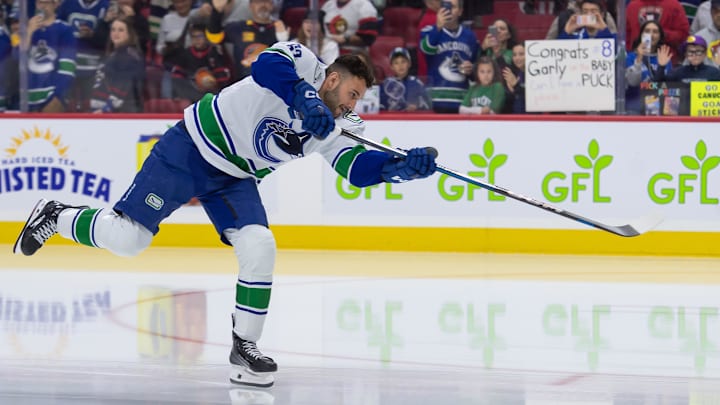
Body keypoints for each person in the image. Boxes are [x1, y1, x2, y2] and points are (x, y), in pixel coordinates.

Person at [12, 41, 437, 388]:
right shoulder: (303, 62)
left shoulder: (334, 127)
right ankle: (56, 214)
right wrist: (303, 97)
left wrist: (399, 170)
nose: (350, 106)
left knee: (260, 245)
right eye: (350, 95)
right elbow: (266, 65)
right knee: (128, 240)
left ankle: (243, 348)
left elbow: (355, 171)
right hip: (191, 148)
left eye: (356, 101)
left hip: (235, 178)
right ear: (331, 78)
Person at [207, 0, 289, 81]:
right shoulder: (239, 27)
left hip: (273, 86)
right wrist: (217, 11)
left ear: (272, 5)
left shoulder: (281, 28)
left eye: (266, 1)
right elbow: (215, 38)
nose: (263, 5)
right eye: (258, 2)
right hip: (243, 85)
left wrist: (284, 40)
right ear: (250, 6)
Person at [419, 0, 478, 113]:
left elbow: (475, 66)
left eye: (453, 7)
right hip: (435, 100)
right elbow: (426, 50)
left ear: (460, 11)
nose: (449, 10)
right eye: (446, 6)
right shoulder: (428, 31)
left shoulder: (470, 36)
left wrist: (471, 69)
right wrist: (438, 28)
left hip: (462, 101)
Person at [22, 0, 78, 112]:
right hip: (28, 99)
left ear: (55, 4)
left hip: (51, 97)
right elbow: (16, 60)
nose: (42, 6)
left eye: (46, 2)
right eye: (39, 2)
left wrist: (58, 97)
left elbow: (68, 68)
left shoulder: (65, 30)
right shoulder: (27, 29)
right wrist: (28, 33)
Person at [56, 0, 110, 111]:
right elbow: (57, 32)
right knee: (66, 108)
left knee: (90, 109)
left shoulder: (107, 6)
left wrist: (93, 35)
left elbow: (110, 41)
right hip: (68, 67)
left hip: (94, 69)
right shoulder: (67, 4)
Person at [89, 17, 146, 113]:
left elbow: (123, 87)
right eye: (113, 29)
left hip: (120, 113)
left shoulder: (129, 56)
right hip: (102, 110)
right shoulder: (112, 54)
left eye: (121, 30)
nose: (116, 33)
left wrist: (106, 109)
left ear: (129, 34)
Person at [170, 23, 231, 101]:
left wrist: (213, 83)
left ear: (206, 37)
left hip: (212, 93)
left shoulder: (214, 52)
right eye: (194, 37)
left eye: (200, 36)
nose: (197, 39)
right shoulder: (185, 54)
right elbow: (177, 76)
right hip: (192, 92)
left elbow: (223, 76)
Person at [625, 21, 672, 114]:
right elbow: (632, 82)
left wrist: (661, 67)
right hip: (635, 107)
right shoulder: (631, 57)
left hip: (658, 107)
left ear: (660, 36)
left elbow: (666, 86)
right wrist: (639, 58)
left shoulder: (664, 56)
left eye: (655, 32)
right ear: (641, 35)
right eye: (647, 31)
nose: (651, 34)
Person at [379, 46, 431, 111]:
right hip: (391, 120)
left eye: (403, 61)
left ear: (409, 64)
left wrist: (417, 107)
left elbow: (428, 104)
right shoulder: (386, 84)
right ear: (391, 66)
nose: (400, 65)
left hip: (412, 119)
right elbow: (380, 106)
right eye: (396, 63)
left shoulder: (417, 83)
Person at [655, 34, 720, 82]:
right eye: (690, 52)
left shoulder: (714, 73)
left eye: (698, 51)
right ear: (685, 54)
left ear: (705, 54)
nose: (694, 55)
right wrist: (661, 67)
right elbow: (658, 87)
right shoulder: (677, 72)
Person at [501, 43, 526, 114]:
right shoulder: (518, 73)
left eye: (521, 54)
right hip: (516, 119)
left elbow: (533, 99)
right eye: (514, 55)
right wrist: (511, 92)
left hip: (532, 120)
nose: (517, 58)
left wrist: (515, 86)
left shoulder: (534, 74)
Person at [693, 0, 720, 66]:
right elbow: (689, 70)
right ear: (711, 12)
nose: (719, 15)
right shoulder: (699, 37)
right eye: (716, 11)